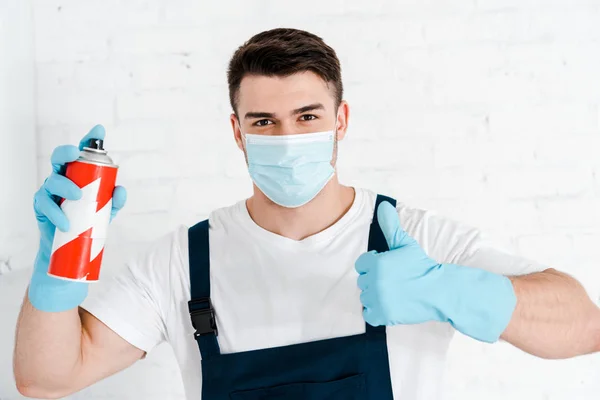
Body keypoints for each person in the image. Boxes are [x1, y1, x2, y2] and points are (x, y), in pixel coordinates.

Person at [13, 28, 600, 400]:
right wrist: (55, 275)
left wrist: (452, 291)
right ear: (236, 132)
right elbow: (47, 379)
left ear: (341, 120)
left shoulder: (412, 240)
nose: (287, 137)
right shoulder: (183, 261)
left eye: (308, 116)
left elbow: (583, 326)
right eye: (263, 122)